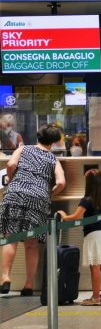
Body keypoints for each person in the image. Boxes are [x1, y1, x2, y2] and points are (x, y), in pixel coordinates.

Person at [0, 124, 66, 295]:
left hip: (15, 193)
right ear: (53, 142)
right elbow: (61, 183)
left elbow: (11, 164)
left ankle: (5, 277)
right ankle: (28, 285)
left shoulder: (23, 149)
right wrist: (48, 194)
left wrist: (13, 180)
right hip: (39, 198)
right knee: (32, 244)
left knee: (11, 238)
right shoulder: (53, 159)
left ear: (38, 136)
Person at [58, 169, 101, 306]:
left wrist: (64, 216)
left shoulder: (87, 200)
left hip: (92, 235)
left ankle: (95, 298)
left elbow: (76, 216)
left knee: (94, 267)